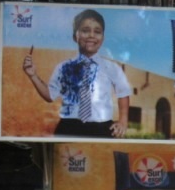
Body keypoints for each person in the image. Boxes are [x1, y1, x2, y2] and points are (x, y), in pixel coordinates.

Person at [22, 8, 131, 138]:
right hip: (69, 127)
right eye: (85, 30)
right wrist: (33, 75)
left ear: (103, 38)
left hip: (101, 128)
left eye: (97, 32)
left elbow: (123, 92)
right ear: (75, 36)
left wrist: (123, 121)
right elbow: (50, 96)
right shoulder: (63, 67)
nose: (91, 35)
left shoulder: (112, 67)